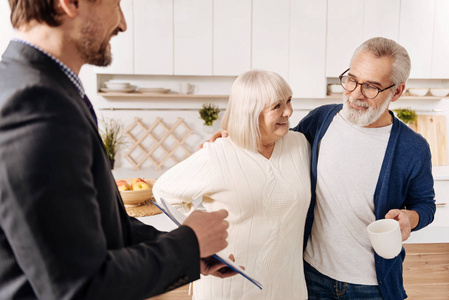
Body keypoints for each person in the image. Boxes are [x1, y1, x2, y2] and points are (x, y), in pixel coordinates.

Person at [0, 1, 235, 299]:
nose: (122, 23)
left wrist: (188, 249)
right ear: (70, 4)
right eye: (116, 4)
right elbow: (82, 286)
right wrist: (189, 243)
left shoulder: (33, 84)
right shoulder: (35, 105)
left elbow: (92, 228)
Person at [291, 37, 436, 300]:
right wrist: (229, 143)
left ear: (397, 91)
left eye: (371, 87)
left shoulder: (413, 148)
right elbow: (279, 151)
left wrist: (411, 219)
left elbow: (425, 204)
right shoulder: (321, 119)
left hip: (371, 284)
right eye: (352, 79)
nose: (356, 94)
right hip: (311, 273)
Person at [152, 69, 311, 300]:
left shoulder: (300, 145)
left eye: (288, 100)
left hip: (288, 288)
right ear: (250, 112)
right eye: (277, 106)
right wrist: (201, 238)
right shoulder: (218, 153)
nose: (288, 111)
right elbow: (163, 191)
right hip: (229, 287)